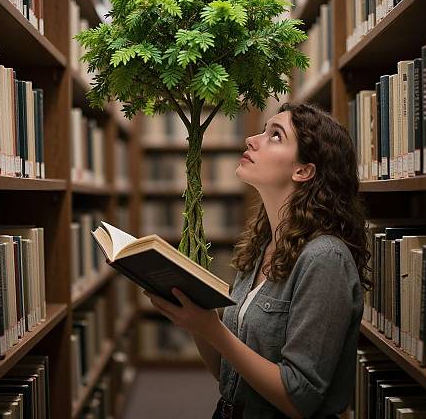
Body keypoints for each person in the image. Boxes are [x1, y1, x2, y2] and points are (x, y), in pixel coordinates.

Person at [144, 102, 371, 419]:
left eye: (275, 136)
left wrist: (213, 330)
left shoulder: (325, 258)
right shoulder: (262, 245)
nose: (252, 139)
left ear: (303, 170)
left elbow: (298, 399)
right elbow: (228, 373)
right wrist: (195, 318)